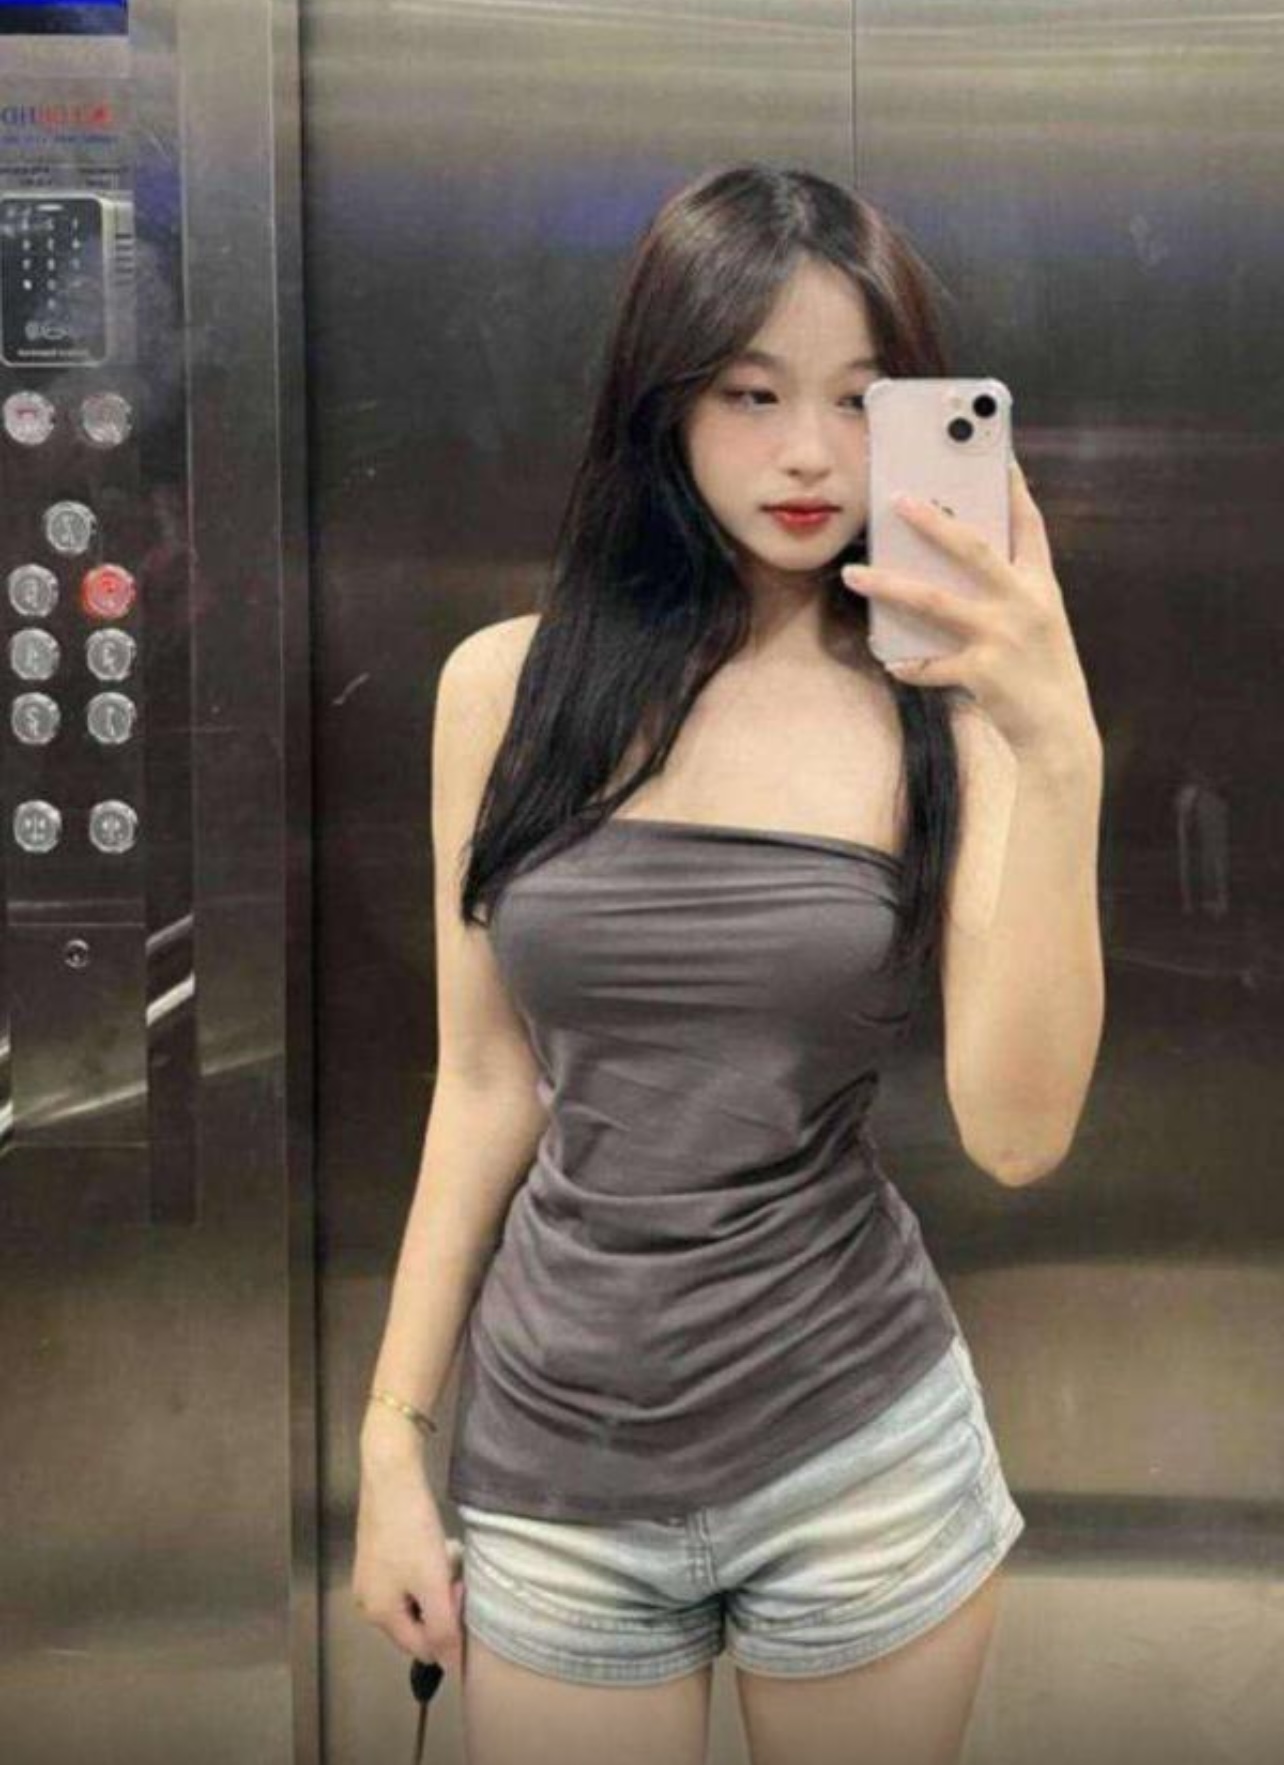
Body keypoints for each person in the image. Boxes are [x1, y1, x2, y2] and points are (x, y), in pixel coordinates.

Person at [353, 162, 1105, 1765]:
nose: (812, 452)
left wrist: (1062, 754)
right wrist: (389, 1436)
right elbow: (483, 1082)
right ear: (666, 404)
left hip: (861, 1459)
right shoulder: (504, 691)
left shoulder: (943, 715)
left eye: (861, 398)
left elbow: (1019, 1134)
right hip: (553, 1465)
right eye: (753, 394)